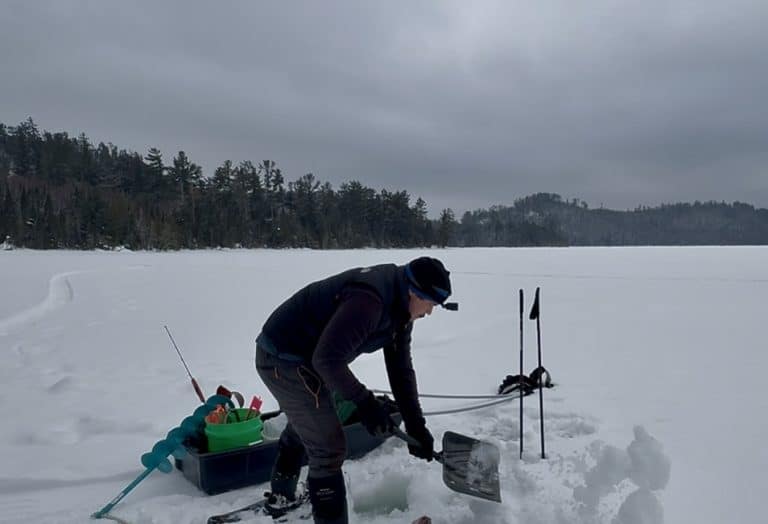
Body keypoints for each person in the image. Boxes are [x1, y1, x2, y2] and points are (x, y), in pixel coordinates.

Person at [255, 256, 456, 524]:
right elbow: (327, 361)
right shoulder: (369, 302)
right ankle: (300, 505)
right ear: (413, 292)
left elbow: (400, 369)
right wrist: (366, 403)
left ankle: (283, 494)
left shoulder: (401, 307)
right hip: (283, 357)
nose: (429, 312)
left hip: (311, 356)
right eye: (430, 304)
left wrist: (416, 424)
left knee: (310, 423)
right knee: (328, 447)